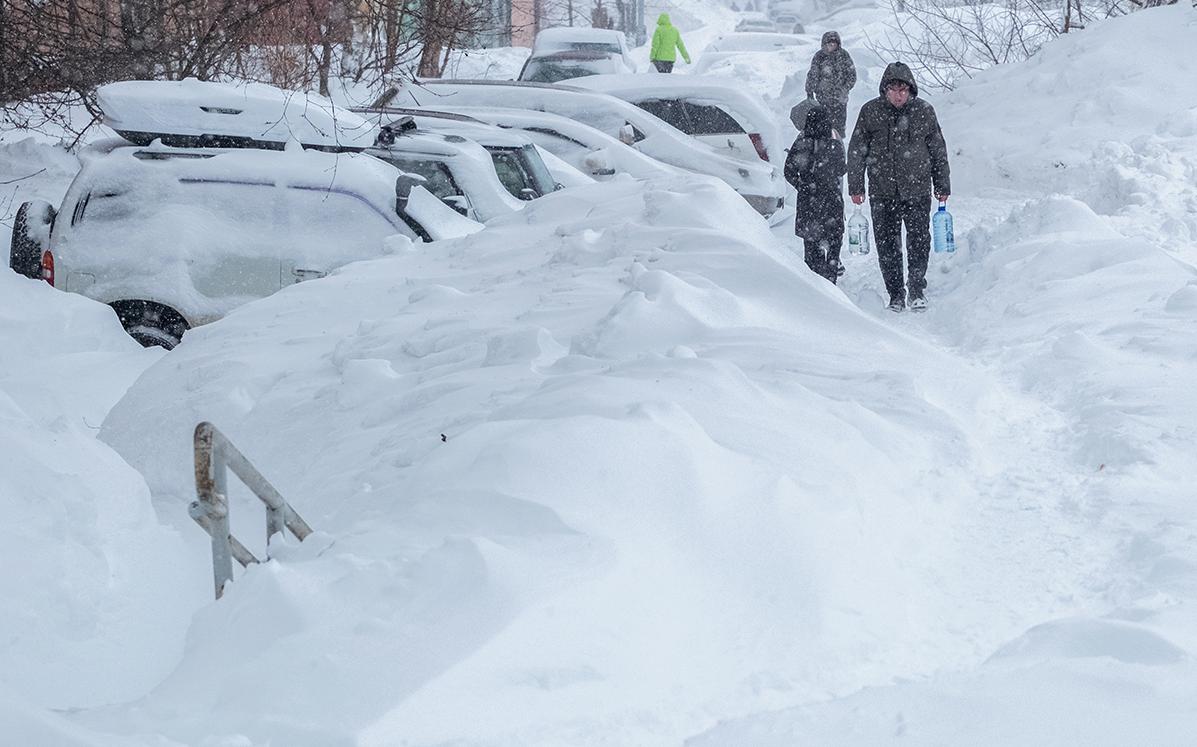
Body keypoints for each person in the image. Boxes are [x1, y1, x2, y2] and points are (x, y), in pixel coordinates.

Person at [847, 61, 951, 312]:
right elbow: (857, 151)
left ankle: (916, 289)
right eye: (893, 90)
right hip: (883, 191)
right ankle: (895, 293)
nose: (898, 95)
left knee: (918, 240)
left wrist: (942, 183)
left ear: (911, 90)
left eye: (903, 90)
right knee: (887, 244)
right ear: (885, 90)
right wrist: (856, 185)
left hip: (917, 189)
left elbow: (938, 150)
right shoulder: (870, 111)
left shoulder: (924, 111)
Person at [784, 103, 846, 284]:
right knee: (834, 244)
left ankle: (815, 286)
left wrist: (803, 185)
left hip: (808, 204)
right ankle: (831, 279)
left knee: (811, 248)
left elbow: (788, 171)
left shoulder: (801, 142)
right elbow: (842, 169)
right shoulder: (834, 142)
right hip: (832, 201)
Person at [804, 31, 856, 137]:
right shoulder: (819, 57)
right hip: (823, 99)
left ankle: (837, 147)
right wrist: (810, 91)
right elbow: (813, 74)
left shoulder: (844, 56)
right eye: (829, 43)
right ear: (824, 44)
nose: (832, 45)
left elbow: (852, 75)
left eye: (834, 43)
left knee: (838, 129)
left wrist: (844, 89)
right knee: (822, 127)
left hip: (840, 100)